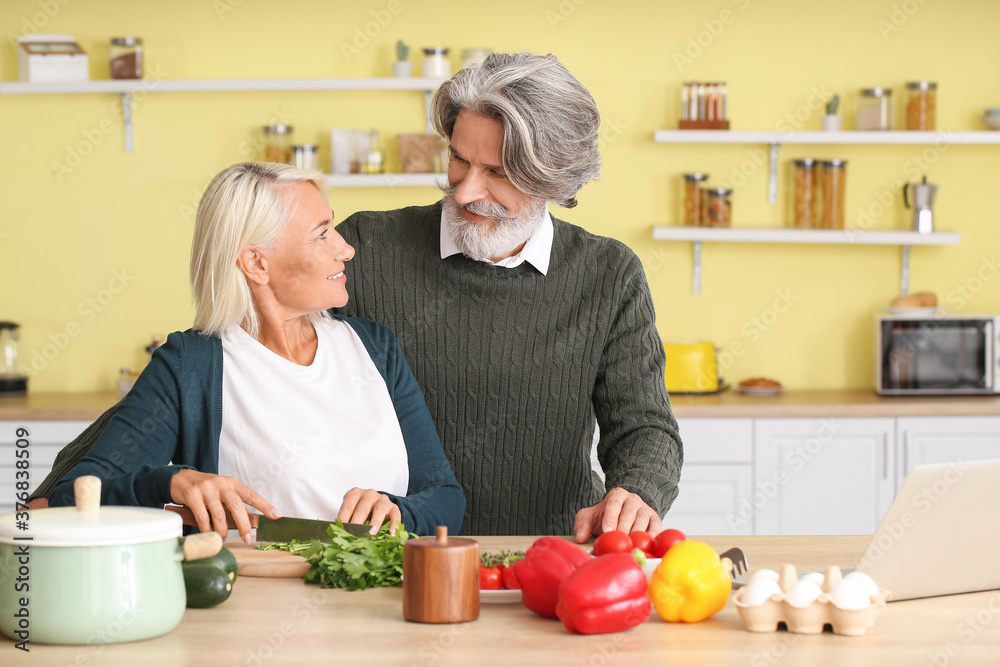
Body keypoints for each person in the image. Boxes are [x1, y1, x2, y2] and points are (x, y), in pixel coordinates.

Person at [334, 51, 683, 540]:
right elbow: (277, 374)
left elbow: (644, 426)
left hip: (554, 555)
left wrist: (637, 490)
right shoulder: (365, 248)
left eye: (497, 173)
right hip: (398, 554)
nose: (464, 192)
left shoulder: (608, 274)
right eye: (459, 159)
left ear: (554, 178)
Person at [42, 162, 465, 542]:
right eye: (321, 234)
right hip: (254, 609)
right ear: (256, 264)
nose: (345, 248)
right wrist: (174, 482)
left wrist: (399, 512)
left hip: (384, 600)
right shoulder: (192, 366)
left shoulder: (374, 347)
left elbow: (445, 498)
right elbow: (73, 497)